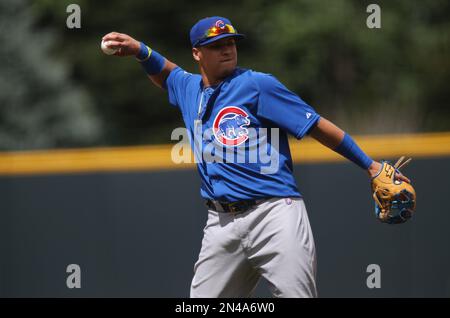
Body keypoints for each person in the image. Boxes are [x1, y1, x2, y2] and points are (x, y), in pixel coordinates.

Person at [102, 16, 410, 298]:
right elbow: (166, 72)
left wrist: (369, 165)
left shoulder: (257, 85)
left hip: (274, 214)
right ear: (197, 53)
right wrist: (140, 50)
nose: (227, 50)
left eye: (231, 43)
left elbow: (316, 125)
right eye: (216, 45)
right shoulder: (189, 89)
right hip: (220, 224)